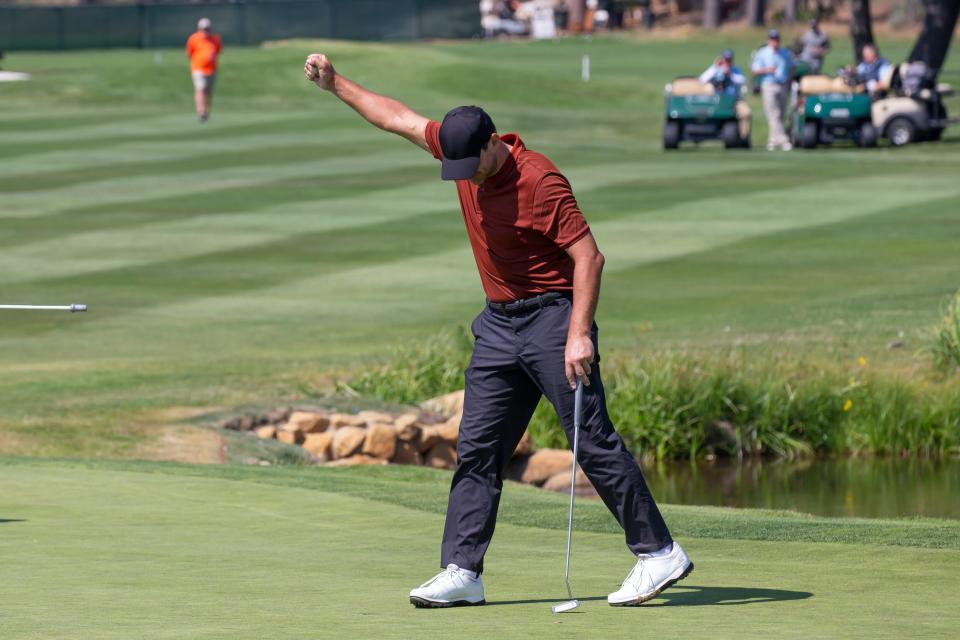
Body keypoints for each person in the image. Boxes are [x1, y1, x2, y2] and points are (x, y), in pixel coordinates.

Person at [303, 51, 692, 609]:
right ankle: (463, 571)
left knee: (592, 438)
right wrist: (335, 83)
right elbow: (396, 117)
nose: (465, 177)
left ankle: (659, 553)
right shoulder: (460, 146)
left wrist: (579, 333)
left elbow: (589, 258)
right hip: (499, 326)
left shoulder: (540, 180)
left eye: (473, 165)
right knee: (477, 447)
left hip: (554, 318)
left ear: (493, 143)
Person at [751, 29, 793, 151]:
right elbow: (754, 71)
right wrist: (767, 70)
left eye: (776, 40)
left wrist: (789, 80)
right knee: (773, 113)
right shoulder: (763, 53)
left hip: (783, 85)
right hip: (769, 84)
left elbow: (792, 67)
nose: (774, 42)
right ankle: (784, 140)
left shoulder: (785, 53)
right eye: (772, 39)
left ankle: (773, 141)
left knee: (781, 114)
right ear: (769, 40)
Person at [700, 49, 752, 140]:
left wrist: (729, 74)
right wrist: (715, 67)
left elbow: (742, 81)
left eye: (729, 59)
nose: (727, 62)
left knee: (746, 113)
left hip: (733, 101)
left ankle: (744, 137)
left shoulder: (735, 70)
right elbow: (701, 80)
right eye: (725, 59)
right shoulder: (715, 69)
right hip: (715, 101)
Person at [185, 18, 222, 123]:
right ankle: (201, 111)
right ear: (199, 29)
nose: (205, 31)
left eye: (207, 29)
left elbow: (218, 51)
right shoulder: (193, 39)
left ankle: (206, 110)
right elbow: (189, 53)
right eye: (203, 29)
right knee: (200, 89)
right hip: (198, 68)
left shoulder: (215, 39)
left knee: (208, 92)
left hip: (212, 69)